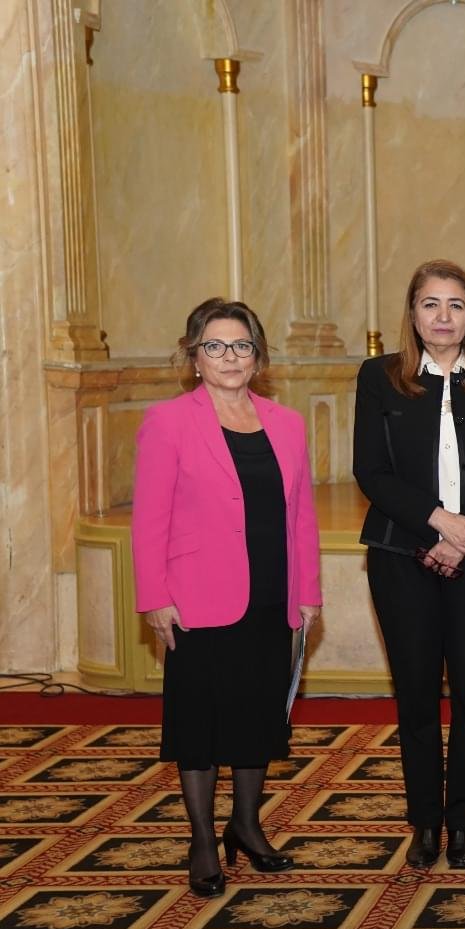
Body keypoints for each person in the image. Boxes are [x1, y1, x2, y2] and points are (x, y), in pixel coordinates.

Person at [133, 298, 321, 896]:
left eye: (241, 345)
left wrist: (308, 591)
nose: (230, 357)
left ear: (258, 356)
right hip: (195, 597)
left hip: (270, 592)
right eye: (215, 346)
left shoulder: (287, 423)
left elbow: (302, 516)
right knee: (200, 723)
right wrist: (153, 597)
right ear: (194, 357)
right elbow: (148, 519)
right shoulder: (168, 421)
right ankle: (202, 841)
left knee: (257, 715)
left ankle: (246, 825)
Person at [353, 260, 465, 870]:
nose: (443, 316)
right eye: (431, 304)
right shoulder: (379, 378)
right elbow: (371, 470)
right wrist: (437, 523)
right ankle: (425, 823)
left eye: (456, 304)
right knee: (417, 696)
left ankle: (463, 823)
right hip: (403, 556)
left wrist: (464, 532)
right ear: (412, 313)